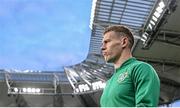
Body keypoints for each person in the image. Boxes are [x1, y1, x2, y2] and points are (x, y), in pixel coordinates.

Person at [100, 25, 160, 107]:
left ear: (124, 42)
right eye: (102, 43)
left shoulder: (141, 69)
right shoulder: (109, 82)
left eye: (107, 42)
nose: (102, 47)